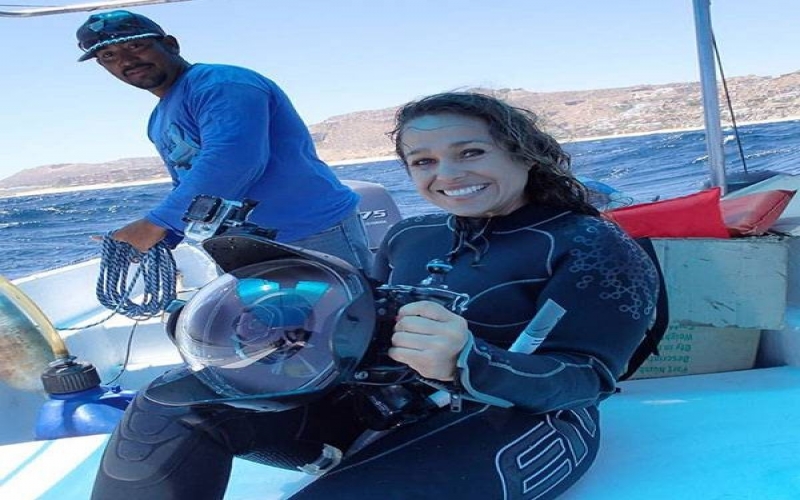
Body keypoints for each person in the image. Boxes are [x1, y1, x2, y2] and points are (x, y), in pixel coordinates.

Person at [91, 92, 660, 499]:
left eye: (470, 152)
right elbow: (365, 324)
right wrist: (271, 328)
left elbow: (588, 380)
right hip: (381, 408)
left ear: (523, 153)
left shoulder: (590, 243)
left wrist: (468, 361)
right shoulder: (413, 235)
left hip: (521, 420)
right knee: (173, 399)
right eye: (424, 161)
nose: (447, 174)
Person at [75, 10, 371, 271]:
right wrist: (169, 234)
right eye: (109, 56)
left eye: (135, 46)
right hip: (236, 244)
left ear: (171, 45)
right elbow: (185, 181)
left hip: (312, 231)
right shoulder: (157, 120)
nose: (127, 60)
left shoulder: (221, 83)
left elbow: (234, 160)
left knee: (342, 315)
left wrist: (156, 224)